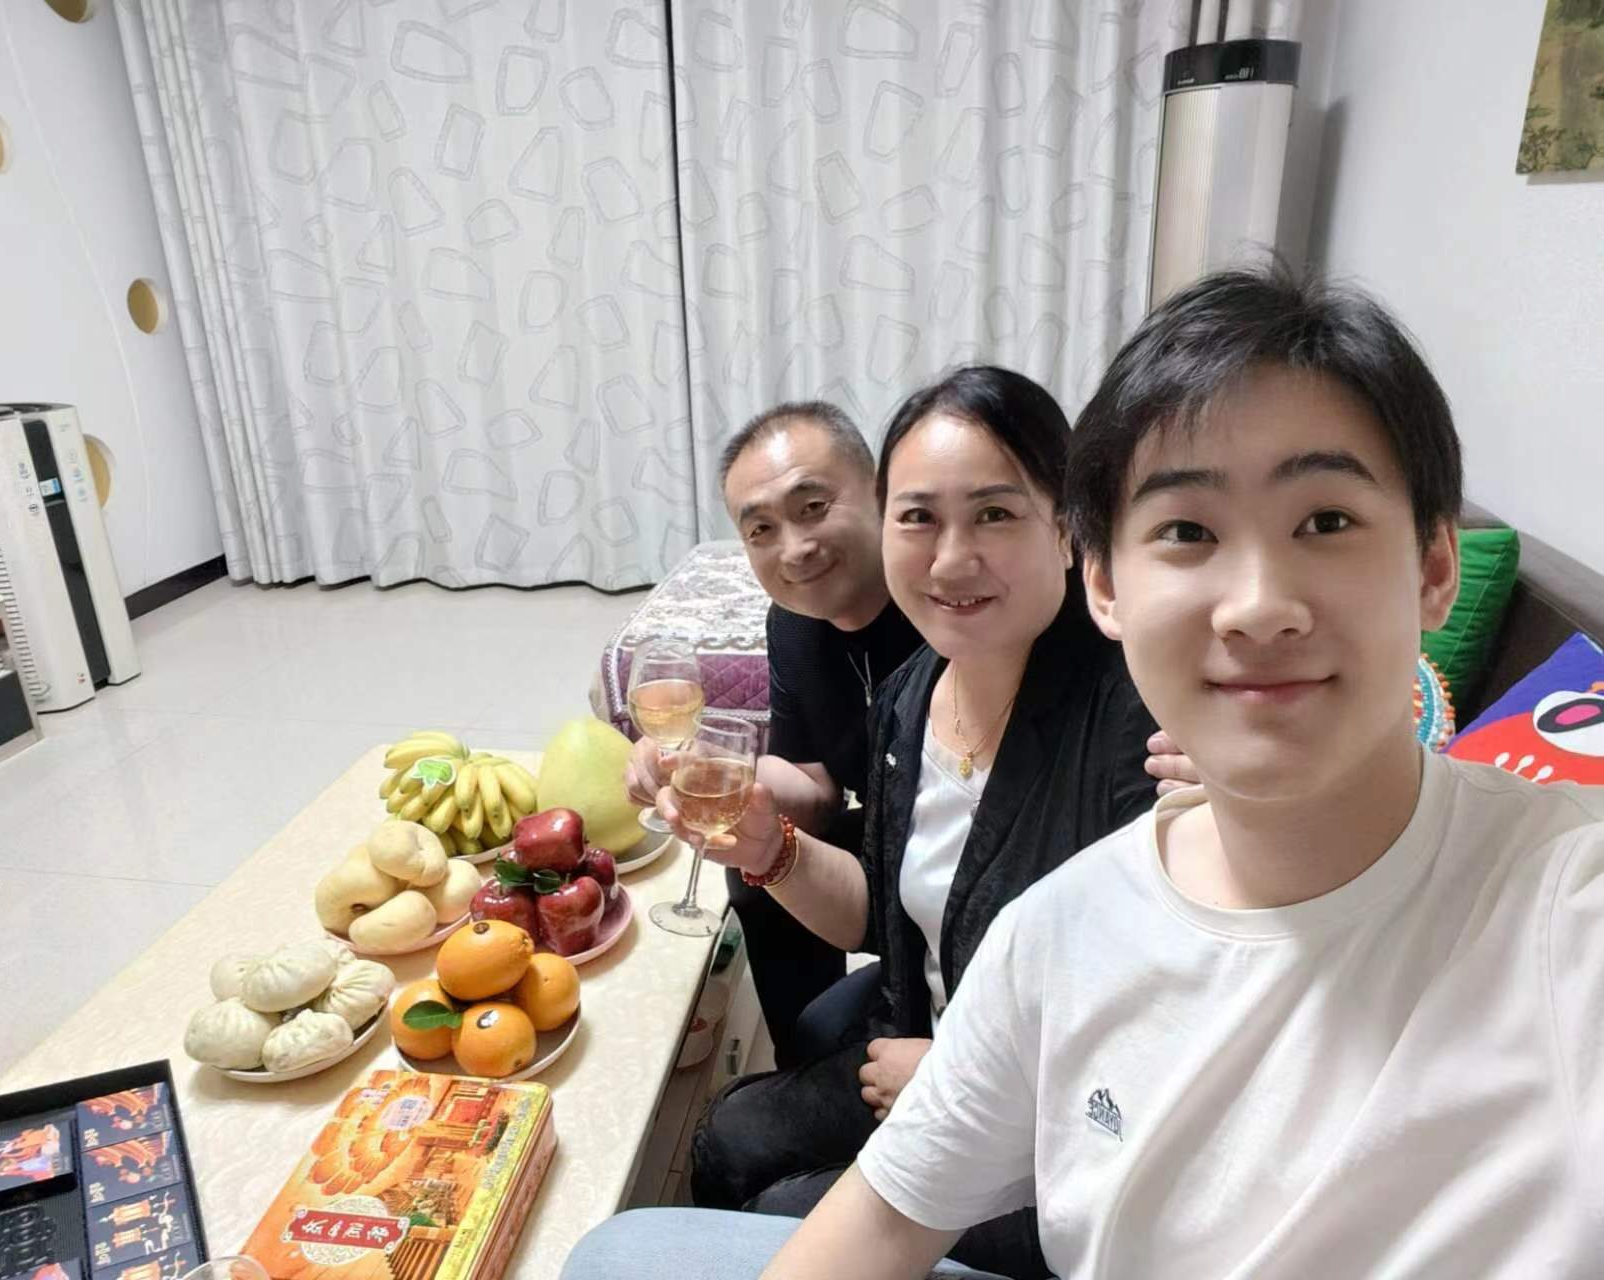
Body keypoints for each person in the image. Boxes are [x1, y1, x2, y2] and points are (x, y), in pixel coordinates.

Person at [565, 267, 1604, 1280]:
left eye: (1324, 521)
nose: (1256, 605)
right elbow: (888, 913)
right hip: (940, 1032)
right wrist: (771, 845)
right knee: (697, 1172)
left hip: (986, 1102)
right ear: (1111, 580)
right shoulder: (950, 764)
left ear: (1432, 566)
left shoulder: (1554, 903)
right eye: (1188, 530)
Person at [668, 367, 1164, 1280]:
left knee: (778, 1210)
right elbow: (884, 916)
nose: (949, 560)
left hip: (1054, 1135)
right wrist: (771, 851)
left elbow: (1166, 1033)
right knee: (729, 1133)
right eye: (919, 518)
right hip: (917, 1038)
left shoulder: (1136, 728)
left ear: (1066, 526)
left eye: (994, 514)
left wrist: (959, 1078)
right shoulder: (910, 697)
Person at [627, 400, 927, 1067]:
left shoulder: (941, 604)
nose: (794, 549)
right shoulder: (792, 624)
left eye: (813, 507)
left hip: (965, 846)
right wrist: (709, 764)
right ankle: (801, 1062)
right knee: (753, 865)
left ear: (879, 493)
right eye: (760, 528)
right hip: (888, 834)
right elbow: (815, 791)